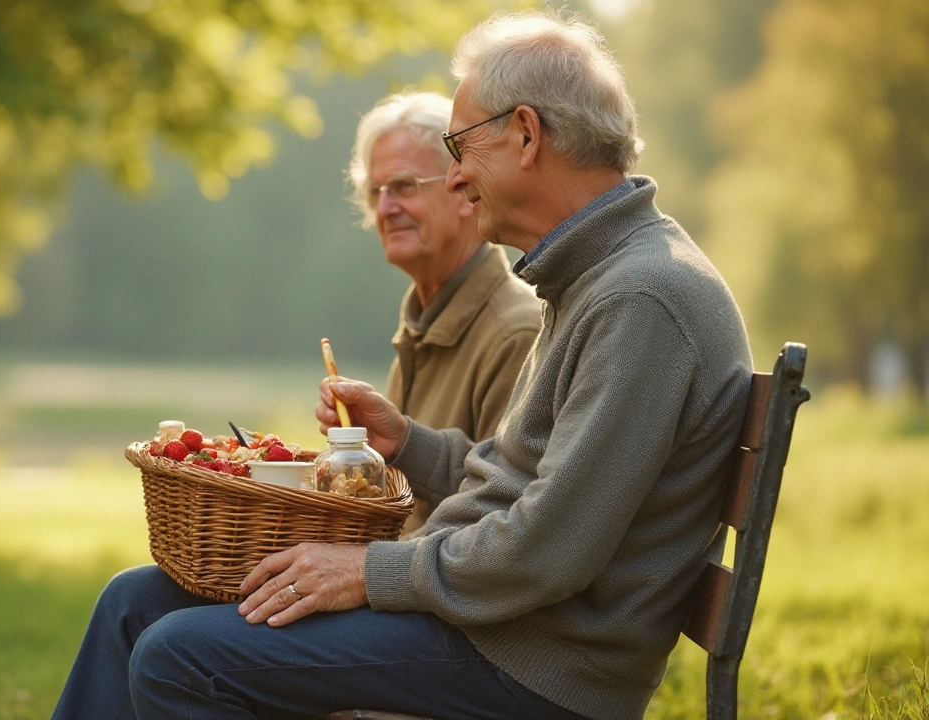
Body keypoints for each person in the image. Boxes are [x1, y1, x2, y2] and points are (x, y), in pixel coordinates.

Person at [51, 10, 753, 720]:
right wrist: (410, 446)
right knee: (135, 604)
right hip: (492, 627)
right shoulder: (595, 280)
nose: (454, 173)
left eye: (460, 144)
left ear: (526, 134)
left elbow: (547, 550)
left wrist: (366, 572)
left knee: (180, 657)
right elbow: (526, 483)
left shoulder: (640, 300)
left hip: (532, 664)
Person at [348, 91, 540, 534]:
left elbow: (500, 522)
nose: (383, 208)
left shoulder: (516, 333)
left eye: (404, 186)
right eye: (375, 191)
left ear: (461, 187)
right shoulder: (422, 322)